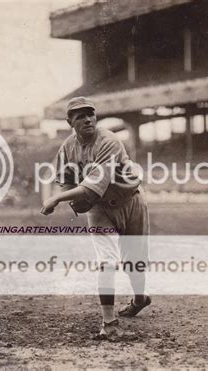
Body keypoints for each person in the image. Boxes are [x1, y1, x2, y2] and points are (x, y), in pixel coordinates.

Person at [40, 96, 151, 338]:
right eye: (80, 116)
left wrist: (56, 200)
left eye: (91, 113)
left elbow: (90, 188)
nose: (88, 118)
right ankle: (109, 323)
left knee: (135, 261)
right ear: (70, 121)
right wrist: (68, 198)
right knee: (107, 261)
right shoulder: (67, 148)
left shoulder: (109, 141)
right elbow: (64, 181)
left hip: (130, 201)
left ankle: (140, 299)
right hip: (100, 208)